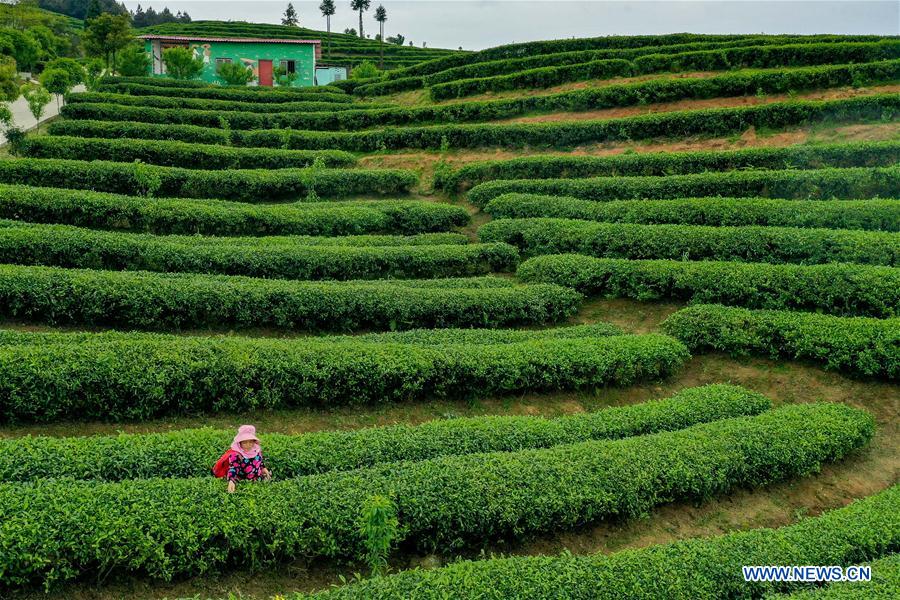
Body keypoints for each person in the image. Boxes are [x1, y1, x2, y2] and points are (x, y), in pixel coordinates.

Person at [215, 424, 272, 493]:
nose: (248, 445)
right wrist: (231, 481)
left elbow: (260, 462)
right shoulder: (236, 454)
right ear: (240, 443)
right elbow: (233, 468)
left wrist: (264, 468)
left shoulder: (256, 450)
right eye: (245, 442)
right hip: (244, 482)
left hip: (257, 480)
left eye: (251, 441)